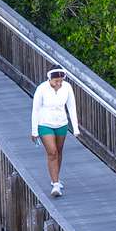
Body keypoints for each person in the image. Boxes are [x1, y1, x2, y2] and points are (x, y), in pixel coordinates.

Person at [30, 67, 80, 196]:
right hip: (44, 124)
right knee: (52, 152)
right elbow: (35, 110)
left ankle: (56, 177)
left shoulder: (67, 87)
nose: (59, 83)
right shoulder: (42, 89)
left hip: (62, 123)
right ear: (50, 79)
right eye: (56, 81)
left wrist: (76, 128)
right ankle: (55, 185)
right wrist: (34, 130)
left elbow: (71, 107)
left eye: (61, 81)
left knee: (59, 151)